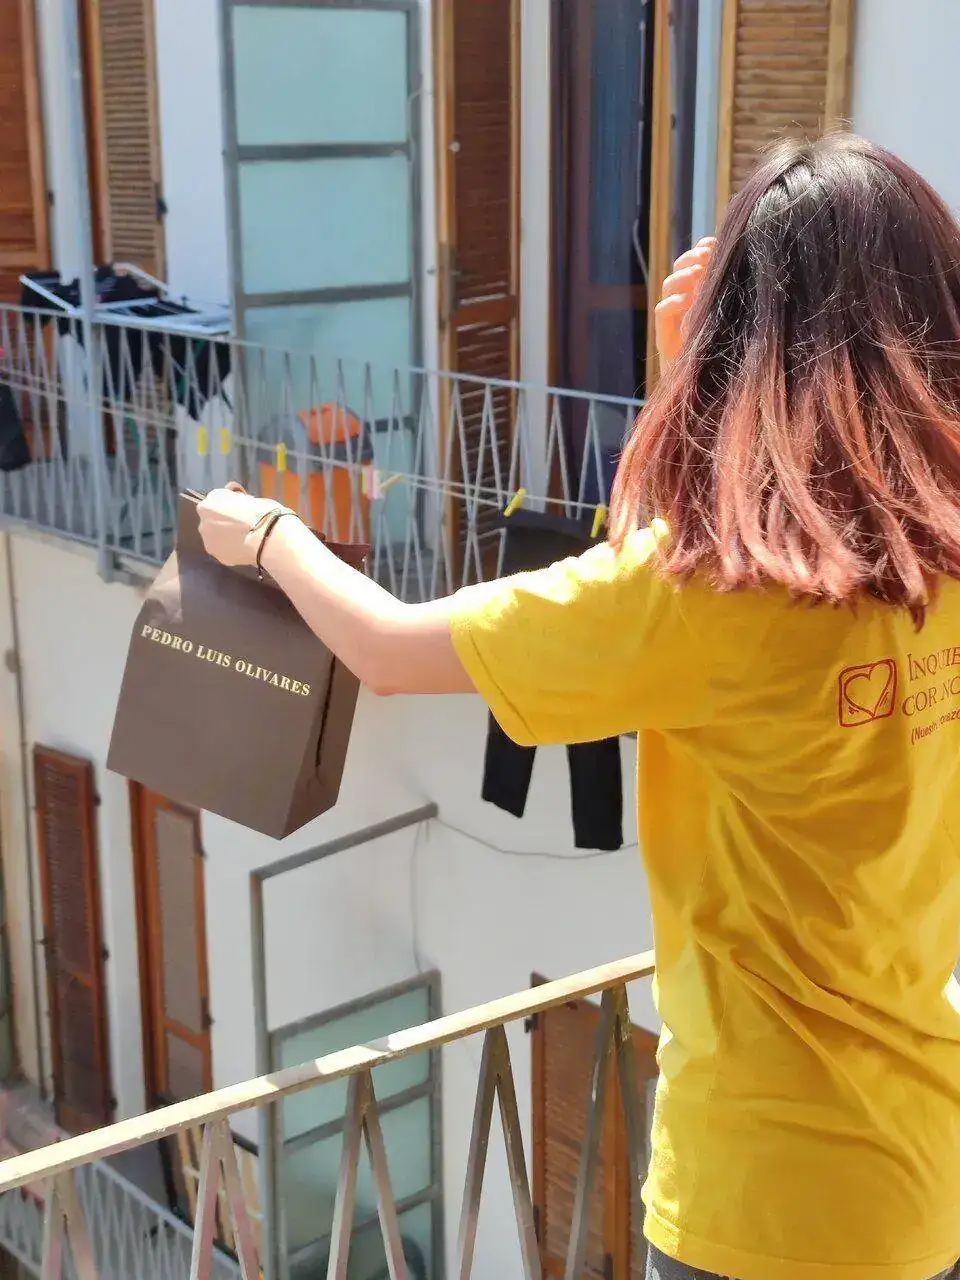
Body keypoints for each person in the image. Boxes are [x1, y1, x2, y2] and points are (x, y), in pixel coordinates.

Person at [197, 134, 960, 1280]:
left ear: (747, 335)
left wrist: (271, 534)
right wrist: (695, 384)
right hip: (923, 1183)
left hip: (759, 1204)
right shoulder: (936, 565)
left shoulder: (706, 595)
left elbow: (389, 649)